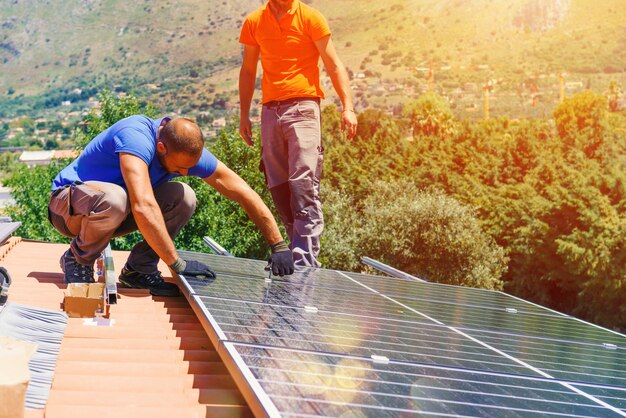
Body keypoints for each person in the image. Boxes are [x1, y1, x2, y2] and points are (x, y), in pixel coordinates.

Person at [48, 115, 294, 297]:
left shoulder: (183, 150)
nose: (186, 172)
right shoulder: (136, 137)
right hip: (68, 209)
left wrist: (278, 244)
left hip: (113, 214)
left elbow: (242, 192)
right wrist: (177, 264)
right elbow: (143, 206)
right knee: (116, 198)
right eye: (180, 168)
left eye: (190, 167)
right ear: (161, 147)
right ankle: (78, 260)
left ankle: (138, 271)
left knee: (184, 195)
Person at [238, 0, 358, 268]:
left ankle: (304, 261)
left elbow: (334, 64)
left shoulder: (311, 18)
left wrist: (347, 106)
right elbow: (248, 70)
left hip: (304, 107)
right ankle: (295, 253)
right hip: (270, 111)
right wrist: (244, 114)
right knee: (278, 185)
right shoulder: (255, 21)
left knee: (303, 183)